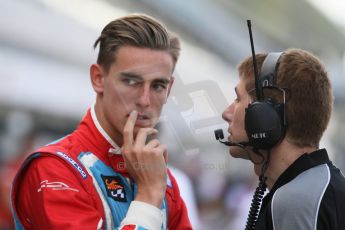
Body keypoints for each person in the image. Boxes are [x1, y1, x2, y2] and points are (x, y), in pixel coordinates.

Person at [11, 14, 192, 230]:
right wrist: (149, 195)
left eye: (158, 86)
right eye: (131, 81)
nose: (145, 100)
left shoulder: (160, 176)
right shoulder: (53, 169)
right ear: (98, 78)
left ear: (169, 88)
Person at [221, 48, 345, 229]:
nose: (226, 113)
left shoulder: (295, 201)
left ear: (264, 116)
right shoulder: (323, 190)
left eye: (238, 99)